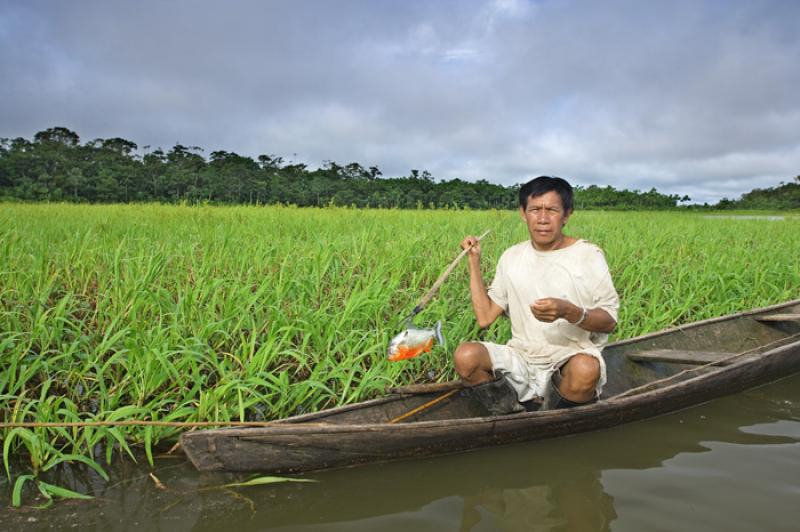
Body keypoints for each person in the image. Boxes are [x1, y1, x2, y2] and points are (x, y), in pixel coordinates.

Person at [454, 176, 619, 413]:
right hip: (522, 355)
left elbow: (609, 322)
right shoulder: (512, 256)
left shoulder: (588, 255)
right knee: (466, 356)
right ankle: (509, 413)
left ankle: (555, 415)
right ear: (523, 213)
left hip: (569, 358)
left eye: (552, 210)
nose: (542, 219)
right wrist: (474, 261)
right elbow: (485, 317)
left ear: (567, 214)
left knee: (586, 369)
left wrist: (569, 312)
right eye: (535, 210)